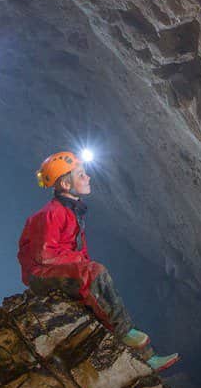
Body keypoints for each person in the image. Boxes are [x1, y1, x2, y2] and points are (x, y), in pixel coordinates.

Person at [17, 150, 178, 373]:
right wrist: (83, 266)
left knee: (101, 295)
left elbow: (73, 252)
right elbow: (44, 256)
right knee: (95, 274)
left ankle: (147, 359)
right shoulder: (52, 213)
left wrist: (81, 265)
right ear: (65, 183)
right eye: (81, 174)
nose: (88, 177)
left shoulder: (72, 210)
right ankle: (125, 334)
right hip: (40, 273)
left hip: (56, 268)